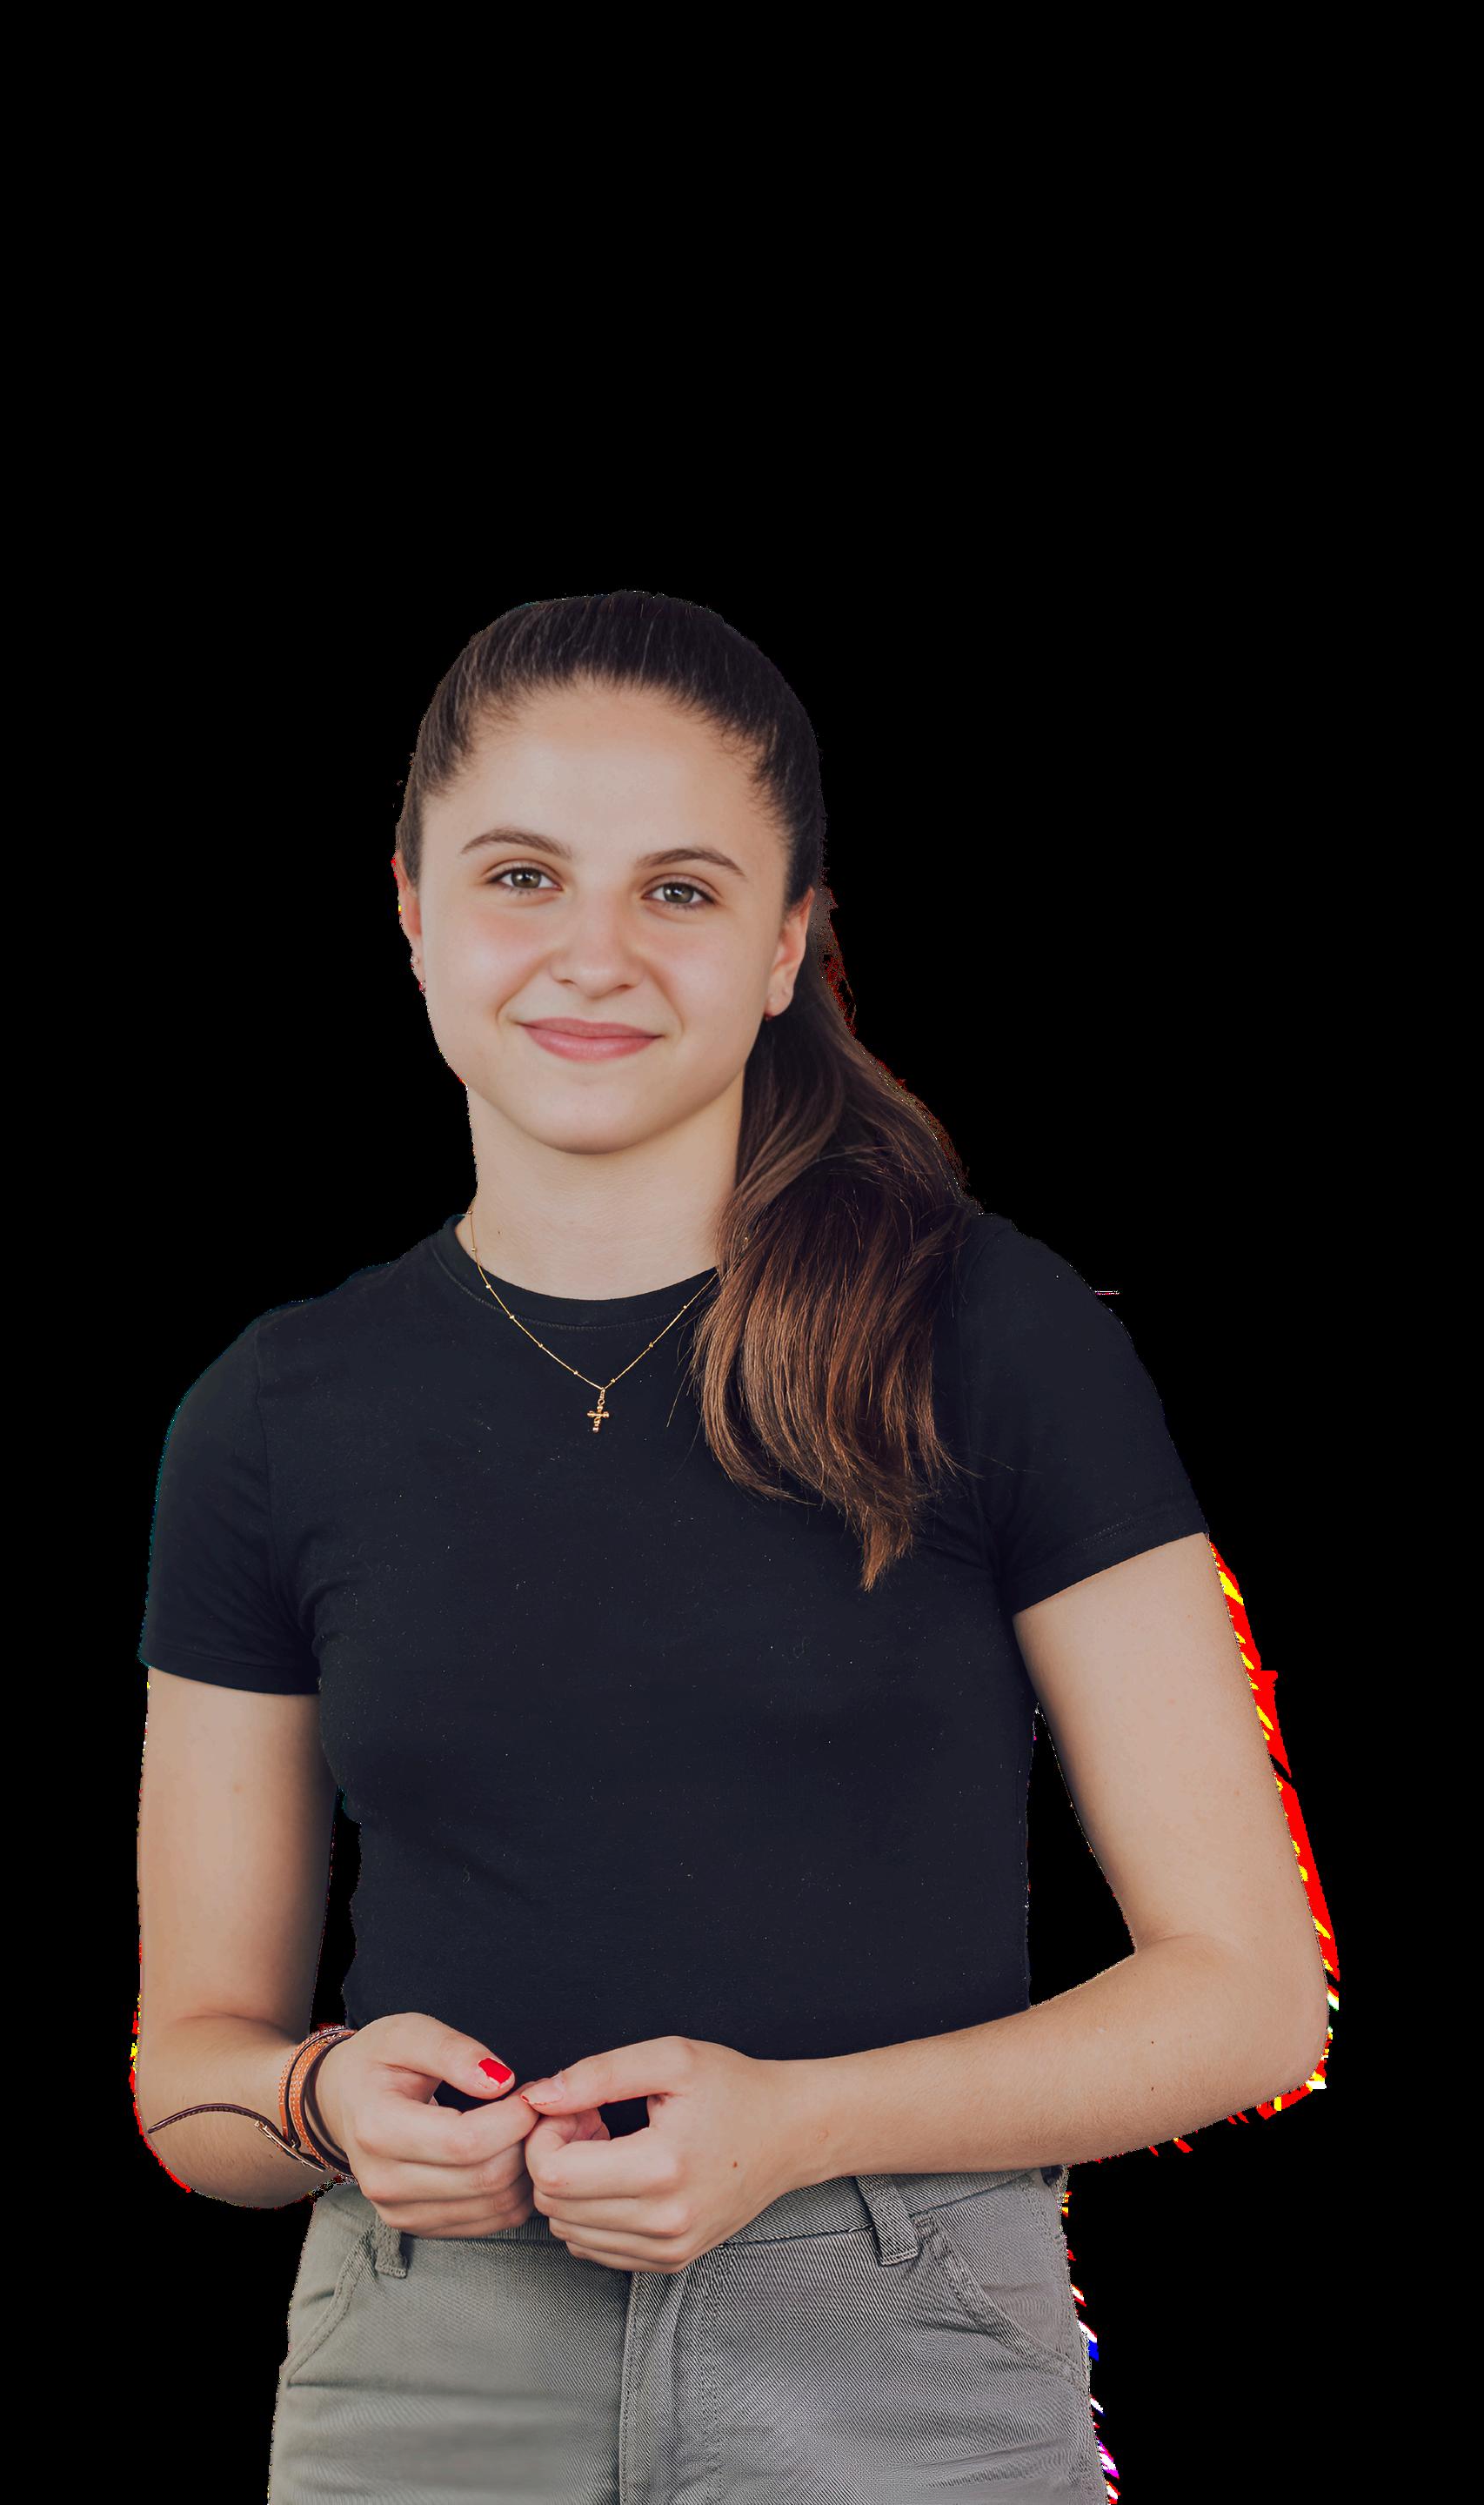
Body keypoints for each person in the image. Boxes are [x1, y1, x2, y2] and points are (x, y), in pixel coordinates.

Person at [134, 591, 1316, 2502]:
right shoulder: (269, 1416)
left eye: (678, 890)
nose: (593, 953)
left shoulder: (990, 1337)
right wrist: (318, 2097)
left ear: (784, 948)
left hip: (902, 2365)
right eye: (523, 875)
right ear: (414, 906)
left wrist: (802, 2126)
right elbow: (193, 2075)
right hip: (424, 2376)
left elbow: (1251, 1998)